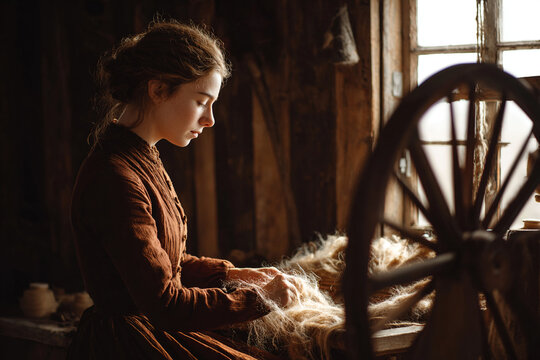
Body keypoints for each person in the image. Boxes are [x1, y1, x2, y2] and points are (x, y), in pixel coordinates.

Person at [68, 19, 297, 360]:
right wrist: (261, 299)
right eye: (203, 101)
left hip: (153, 328)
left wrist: (231, 274)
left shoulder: (141, 158)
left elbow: (162, 262)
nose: (210, 119)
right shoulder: (115, 176)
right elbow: (166, 303)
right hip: (129, 343)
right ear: (158, 90)